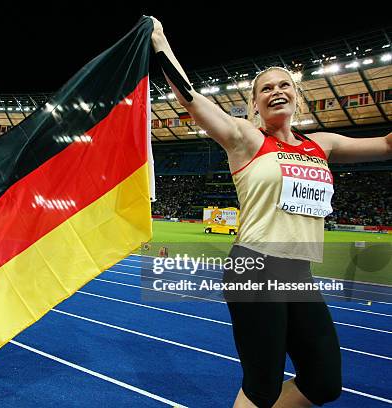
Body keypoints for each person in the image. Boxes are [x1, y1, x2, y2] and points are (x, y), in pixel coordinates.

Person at [150, 17, 391, 408]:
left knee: (323, 381)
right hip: (256, 265)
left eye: (284, 85)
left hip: (299, 272)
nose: (276, 91)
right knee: (262, 386)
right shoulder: (245, 138)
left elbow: (385, 145)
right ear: (255, 103)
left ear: (297, 96)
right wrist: (160, 42)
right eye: (266, 88)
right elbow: (190, 97)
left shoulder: (322, 144)